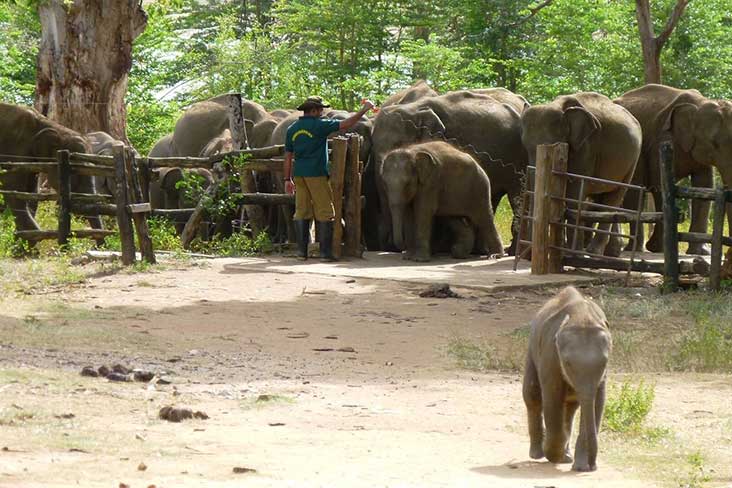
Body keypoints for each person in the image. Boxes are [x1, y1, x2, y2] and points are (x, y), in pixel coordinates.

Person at [284, 96, 375, 261]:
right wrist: (364, 109)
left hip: (299, 175)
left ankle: (301, 252)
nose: (322, 112)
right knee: (325, 212)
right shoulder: (320, 125)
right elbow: (346, 124)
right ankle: (325, 253)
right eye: (320, 109)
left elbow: (288, 156)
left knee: (302, 211)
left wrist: (286, 179)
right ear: (313, 110)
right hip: (317, 174)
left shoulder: (292, 129)